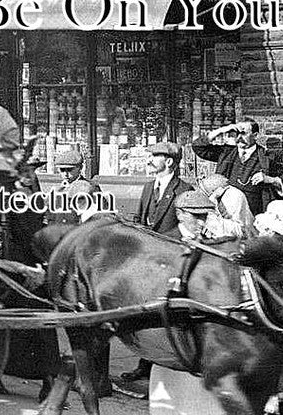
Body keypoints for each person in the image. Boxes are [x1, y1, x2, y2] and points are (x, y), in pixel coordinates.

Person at [121, 141, 192, 390]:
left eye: (155, 156)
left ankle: (162, 364)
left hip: (169, 260)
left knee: (164, 313)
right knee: (143, 310)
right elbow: (140, 219)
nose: (149, 160)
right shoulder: (149, 187)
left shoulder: (184, 190)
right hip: (147, 258)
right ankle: (145, 362)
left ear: (169, 161)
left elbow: (185, 226)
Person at [192, 118, 283, 215]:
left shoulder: (267, 158)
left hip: (253, 214)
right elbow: (198, 147)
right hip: (225, 213)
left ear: (255, 136)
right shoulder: (226, 153)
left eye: (243, 133)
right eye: (237, 133)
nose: (239, 137)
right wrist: (221, 130)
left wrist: (270, 179)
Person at [45, 147, 102, 226]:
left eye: (70, 169)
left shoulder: (90, 188)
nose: (66, 174)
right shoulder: (57, 191)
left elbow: (102, 216)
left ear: (80, 168)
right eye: (62, 170)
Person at [195, 173, 254, 238]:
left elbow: (238, 228)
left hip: (239, 235)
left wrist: (212, 203)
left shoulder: (233, 195)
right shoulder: (218, 196)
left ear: (214, 191)